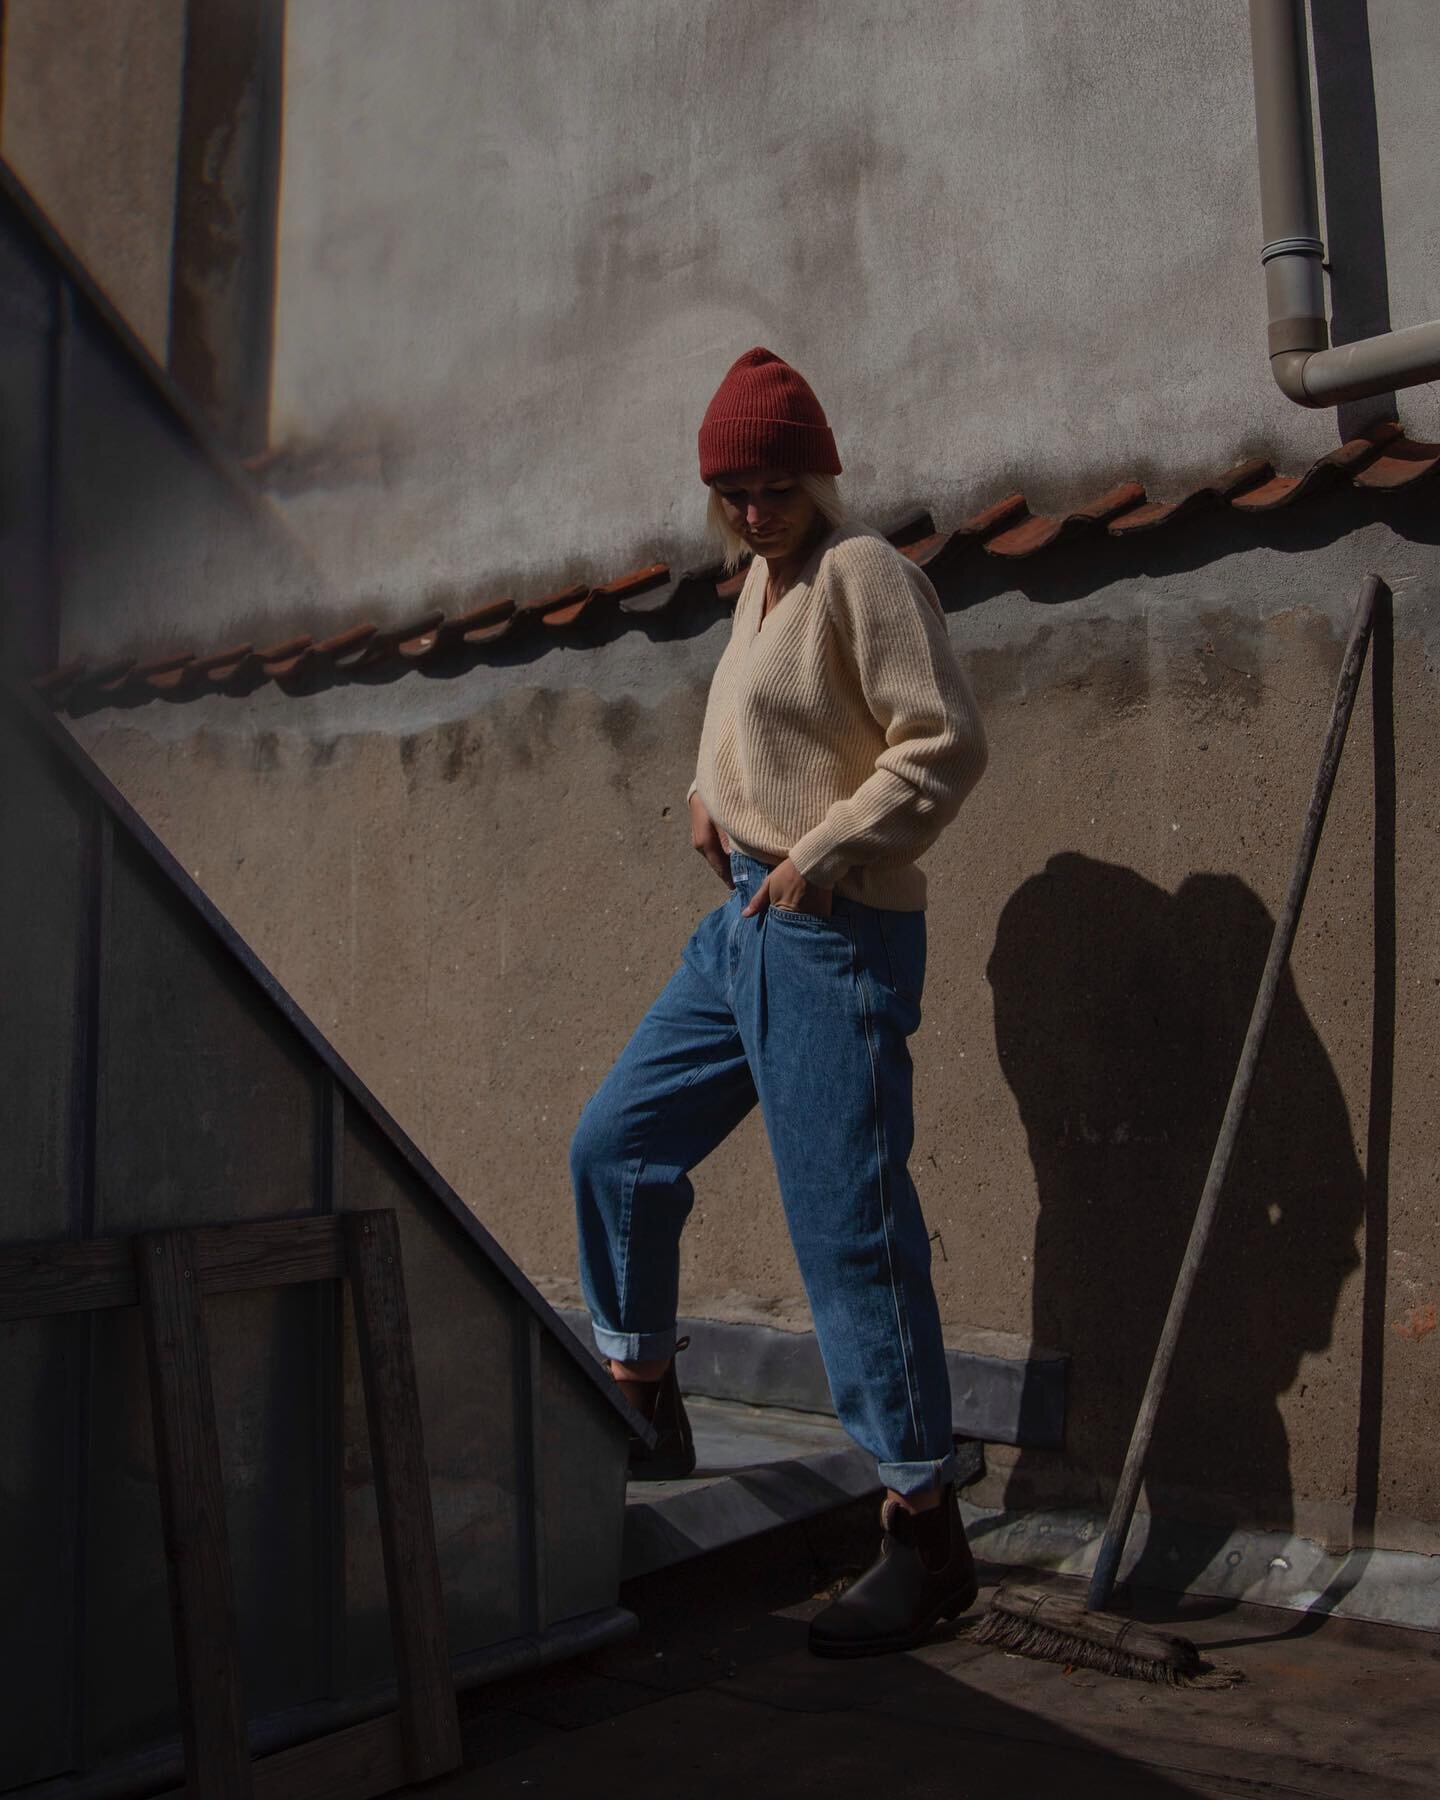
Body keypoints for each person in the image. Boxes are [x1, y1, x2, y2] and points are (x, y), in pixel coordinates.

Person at [569, 346, 988, 1656]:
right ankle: (645, 1393)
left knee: (848, 1230)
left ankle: (925, 1531)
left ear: (817, 472)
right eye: (735, 489)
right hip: (743, 927)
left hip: (831, 928)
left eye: (775, 483)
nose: (757, 508)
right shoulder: (757, 585)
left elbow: (943, 744)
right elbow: (760, 734)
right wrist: (709, 795)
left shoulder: (866, 574)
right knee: (617, 1144)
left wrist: (818, 856)